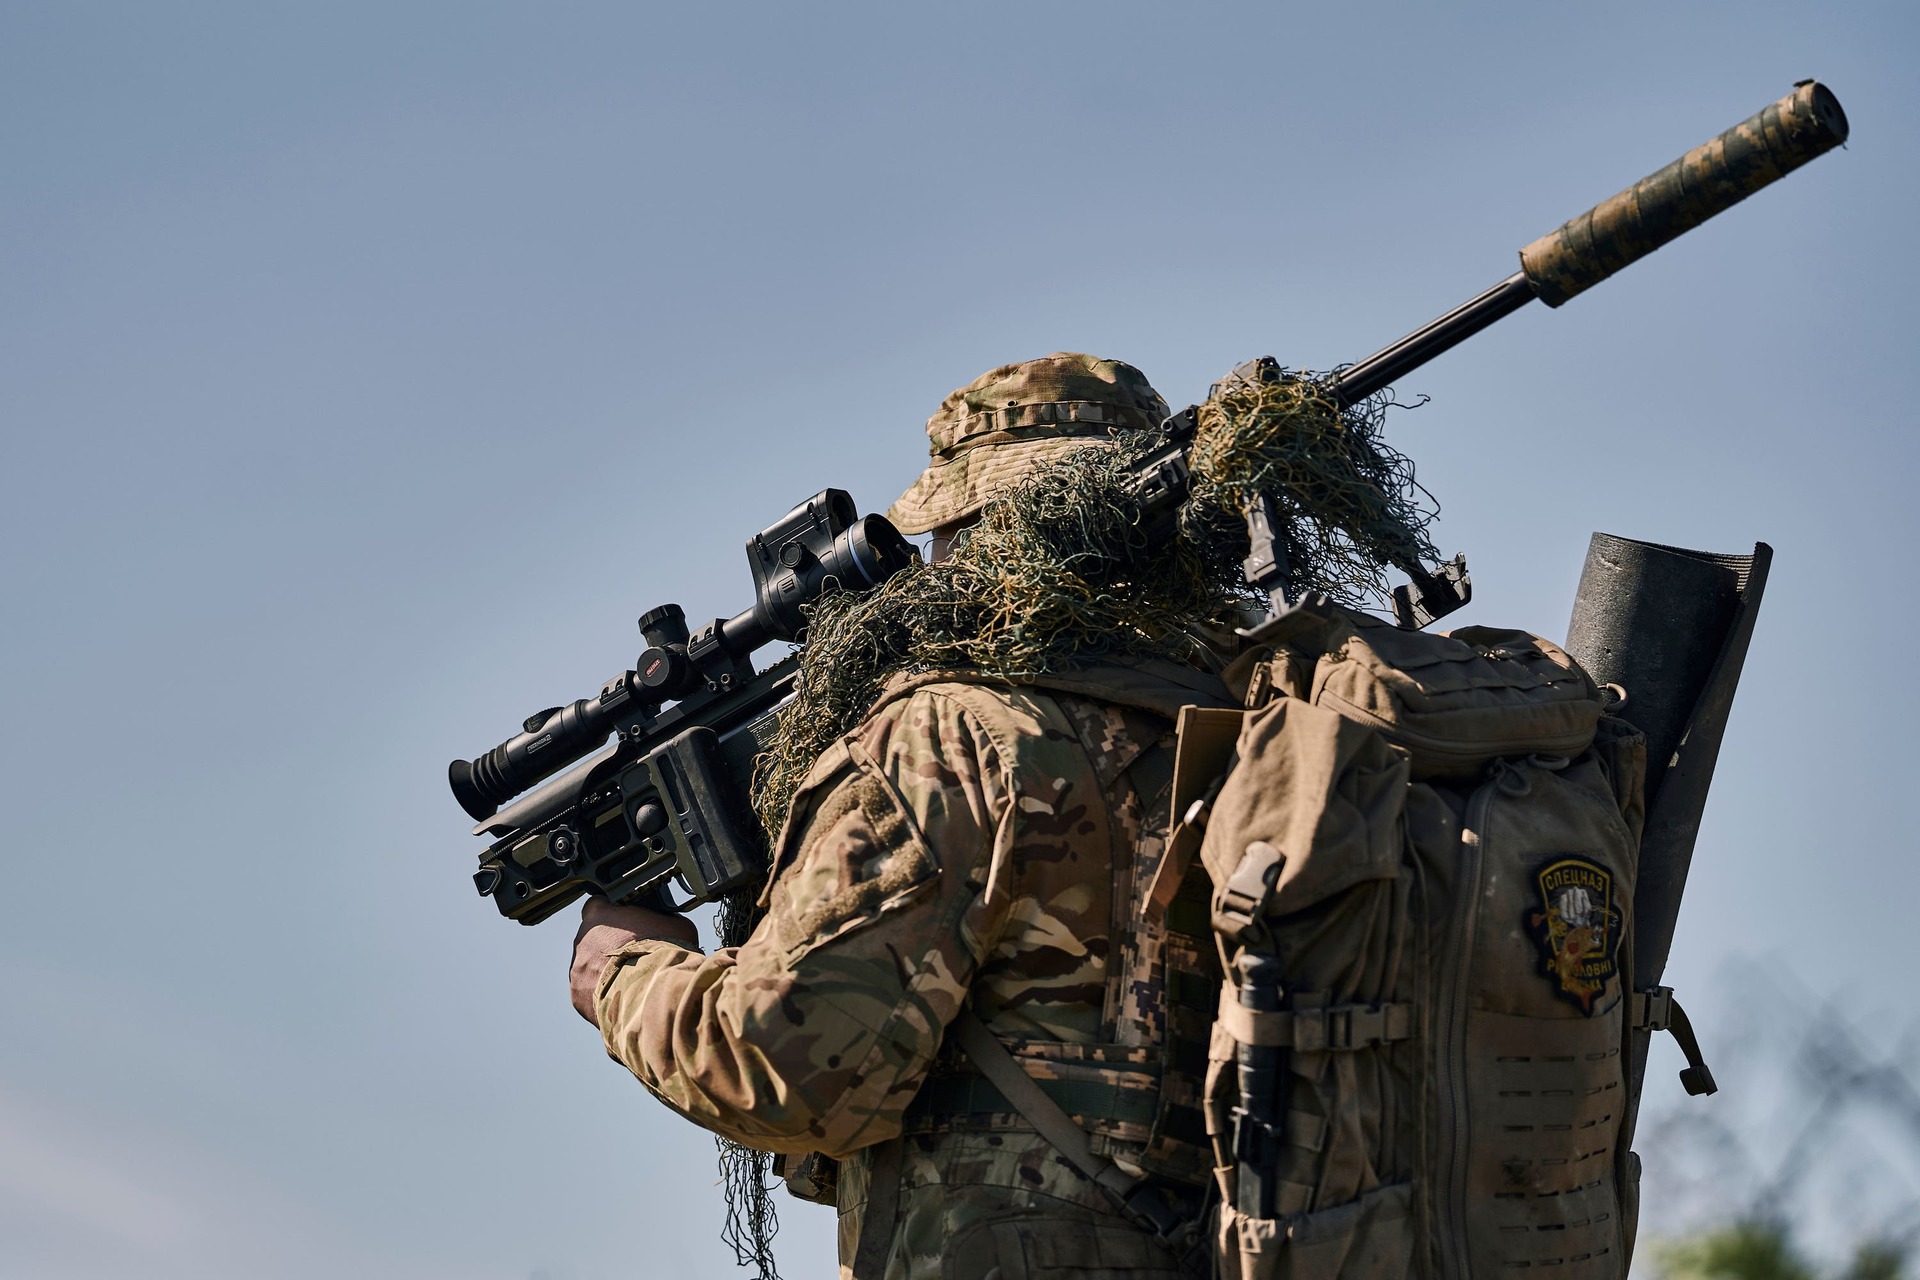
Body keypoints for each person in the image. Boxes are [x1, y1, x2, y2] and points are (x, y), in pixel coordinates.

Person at [569, 353, 1232, 1280]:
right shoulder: (1254, 715)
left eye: (947, 534)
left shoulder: (954, 735)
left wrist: (619, 973)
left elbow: (781, 1066)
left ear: (982, 526)